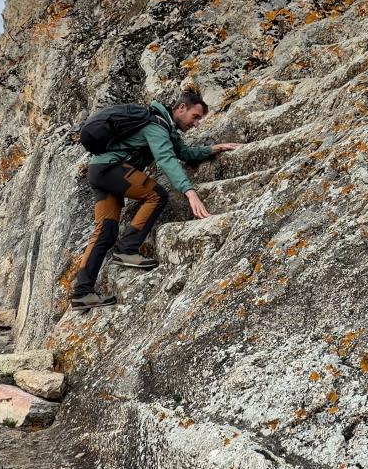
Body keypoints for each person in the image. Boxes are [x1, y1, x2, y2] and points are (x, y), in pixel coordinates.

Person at [69, 90, 241, 310]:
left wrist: (214, 148)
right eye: (195, 117)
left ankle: (82, 293)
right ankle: (127, 249)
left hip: (99, 171)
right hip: (110, 169)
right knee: (157, 194)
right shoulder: (156, 126)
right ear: (181, 108)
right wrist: (190, 192)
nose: (196, 123)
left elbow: (184, 153)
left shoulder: (164, 129)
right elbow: (166, 159)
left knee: (106, 230)